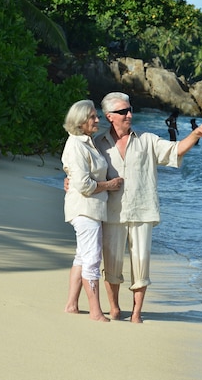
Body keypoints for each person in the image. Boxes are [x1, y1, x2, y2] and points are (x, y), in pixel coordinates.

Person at [67, 92, 202, 323]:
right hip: (112, 213)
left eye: (130, 110)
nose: (129, 114)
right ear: (110, 116)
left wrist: (195, 134)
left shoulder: (147, 139)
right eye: (122, 112)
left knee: (141, 265)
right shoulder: (97, 144)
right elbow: (80, 169)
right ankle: (114, 309)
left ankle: (136, 313)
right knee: (112, 266)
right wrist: (69, 182)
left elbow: (174, 151)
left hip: (143, 211)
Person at [61, 99, 124, 322]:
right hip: (84, 209)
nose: (97, 120)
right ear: (80, 121)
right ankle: (96, 312)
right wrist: (110, 185)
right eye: (92, 117)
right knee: (92, 259)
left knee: (82, 256)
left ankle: (71, 304)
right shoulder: (76, 145)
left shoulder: (87, 142)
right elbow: (84, 185)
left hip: (91, 209)